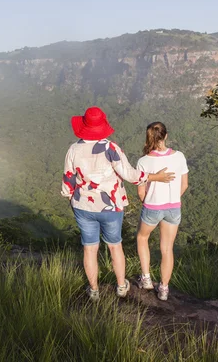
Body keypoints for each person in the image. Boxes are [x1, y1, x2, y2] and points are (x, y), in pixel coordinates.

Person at [61, 107, 175, 301]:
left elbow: (68, 181)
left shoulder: (74, 149)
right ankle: (121, 286)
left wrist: (73, 199)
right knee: (115, 246)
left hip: (83, 206)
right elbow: (130, 175)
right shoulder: (111, 148)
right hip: (111, 206)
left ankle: (94, 290)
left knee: (89, 248)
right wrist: (156, 177)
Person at [135, 122, 189, 301]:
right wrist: (172, 199)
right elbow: (184, 185)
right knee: (167, 248)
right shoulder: (179, 157)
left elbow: (141, 192)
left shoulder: (143, 161)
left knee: (142, 238)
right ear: (166, 136)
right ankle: (164, 289)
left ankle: (147, 279)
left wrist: (151, 201)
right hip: (173, 207)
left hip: (152, 207)